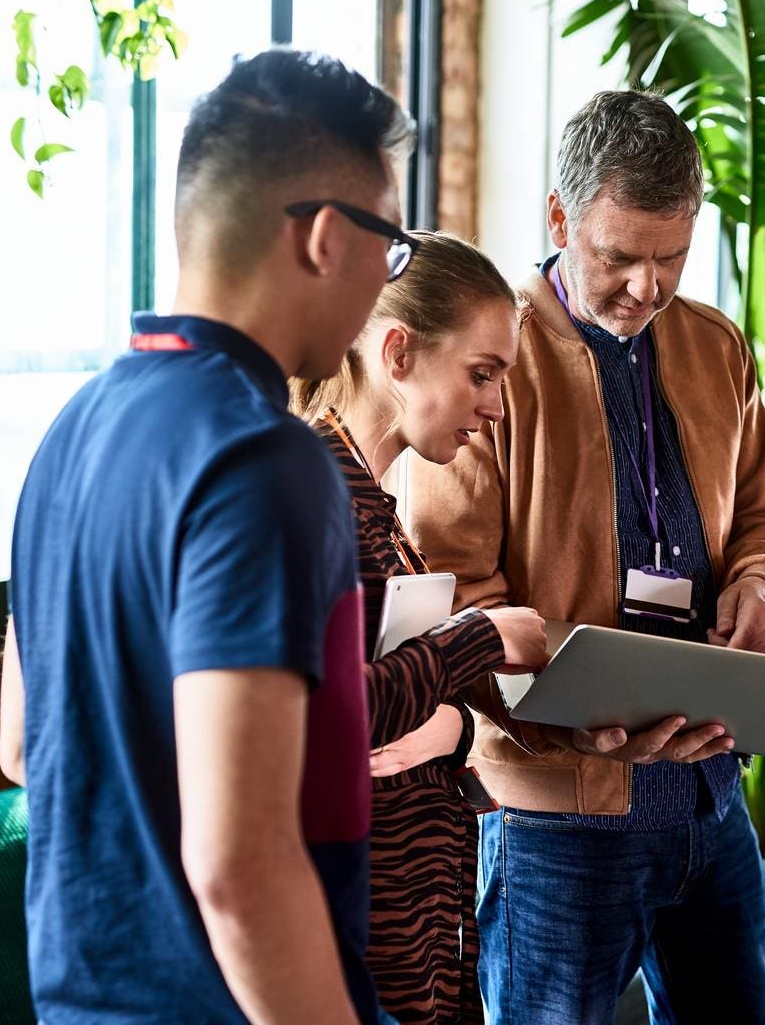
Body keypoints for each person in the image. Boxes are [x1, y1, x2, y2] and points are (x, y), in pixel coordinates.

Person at [0, 49, 419, 1023]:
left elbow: (24, 745)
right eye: (389, 244)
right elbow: (240, 864)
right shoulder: (265, 461)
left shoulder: (69, 431)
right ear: (323, 237)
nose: (385, 280)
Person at [410, 89, 765, 1024]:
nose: (647, 287)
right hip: (558, 818)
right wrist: (560, 725)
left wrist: (759, 586)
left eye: (671, 257)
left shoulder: (717, 346)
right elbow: (452, 592)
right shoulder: (491, 358)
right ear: (559, 218)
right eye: (619, 256)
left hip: (708, 793)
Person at [291, 231, 546, 1024]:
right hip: (362, 958)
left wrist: (452, 726)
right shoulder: (311, 491)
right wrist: (485, 636)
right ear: (397, 353)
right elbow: (332, 718)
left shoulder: (377, 504)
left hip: (424, 950)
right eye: (481, 374)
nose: (496, 406)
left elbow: (408, 716)